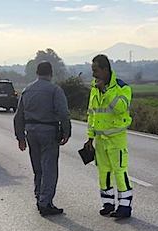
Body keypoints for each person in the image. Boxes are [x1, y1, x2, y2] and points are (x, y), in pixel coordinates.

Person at [14, 61, 71, 216]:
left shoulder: (27, 90)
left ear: (37, 73)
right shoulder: (54, 90)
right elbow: (63, 113)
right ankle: (45, 203)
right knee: (49, 169)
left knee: (38, 167)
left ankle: (39, 195)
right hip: (48, 132)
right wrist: (67, 132)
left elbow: (18, 116)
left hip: (31, 132)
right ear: (50, 73)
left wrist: (20, 137)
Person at [85, 54, 133, 219]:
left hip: (116, 139)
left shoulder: (122, 88)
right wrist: (90, 138)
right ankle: (108, 204)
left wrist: (105, 91)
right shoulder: (94, 88)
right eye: (92, 71)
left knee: (120, 172)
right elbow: (92, 113)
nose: (93, 74)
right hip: (100, 140)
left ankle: (125, 207)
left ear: (105, 70)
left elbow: (120, 108)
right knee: (103, 173)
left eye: (96, 70)